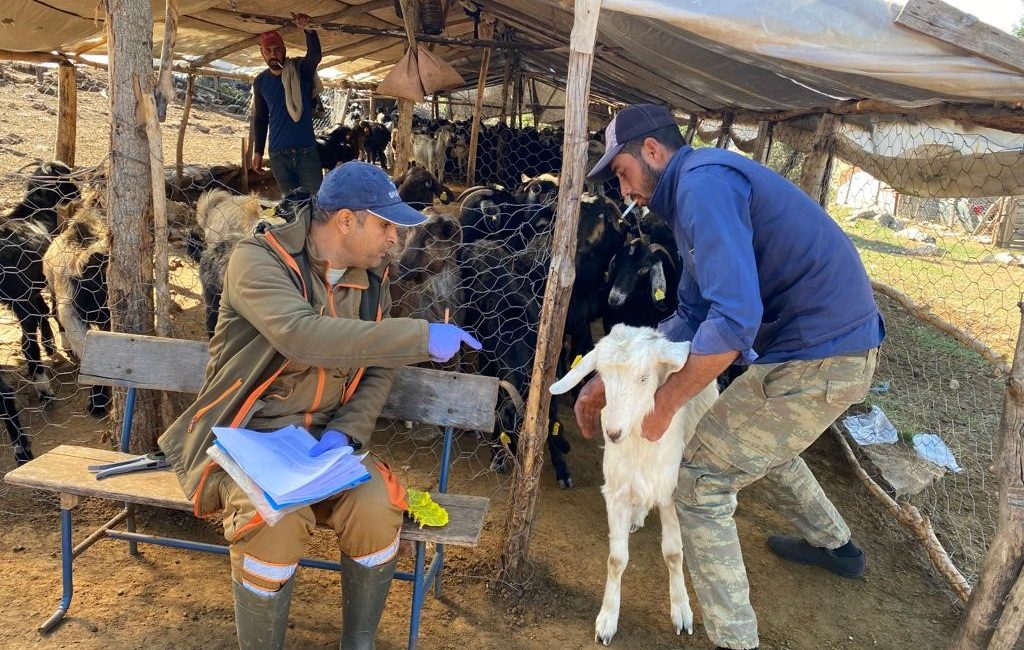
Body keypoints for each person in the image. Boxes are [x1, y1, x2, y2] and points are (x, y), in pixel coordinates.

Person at [579, 104, 885, 650]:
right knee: (755, 437)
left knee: (700, 482)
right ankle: (835, 546)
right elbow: (693, 313)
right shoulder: (693, 194)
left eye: (622, 174)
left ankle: (735, 641)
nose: (624, 193)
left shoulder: (703, 188)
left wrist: (667, 400)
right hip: (812, 346)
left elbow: (735, 319)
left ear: (652, 151)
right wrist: (614, 373)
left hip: (823, 355)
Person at [158, 161, 481, 650]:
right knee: (275, 521)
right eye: (385, 224)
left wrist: (346, 433)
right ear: (346, 220)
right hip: (249, 440)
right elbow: (301, 336)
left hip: (324, 451)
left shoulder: (373, 279)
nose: (394, 237)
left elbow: (377, 367)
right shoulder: (257, 260)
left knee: (376, 507)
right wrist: (419, 336)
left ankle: (358, 643)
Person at [251, 13, 324, 196]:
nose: (273, 55)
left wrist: (308, 30)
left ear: (284, 50)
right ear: (262, 53)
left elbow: (315, 55)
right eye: (268, 51)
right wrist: (258, 151)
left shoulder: (301, 70)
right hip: (278, 156)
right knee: (291, 208)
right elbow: (260, 118)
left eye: (277, 50)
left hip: (306, 153)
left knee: (316, 203)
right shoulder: (260, 82)